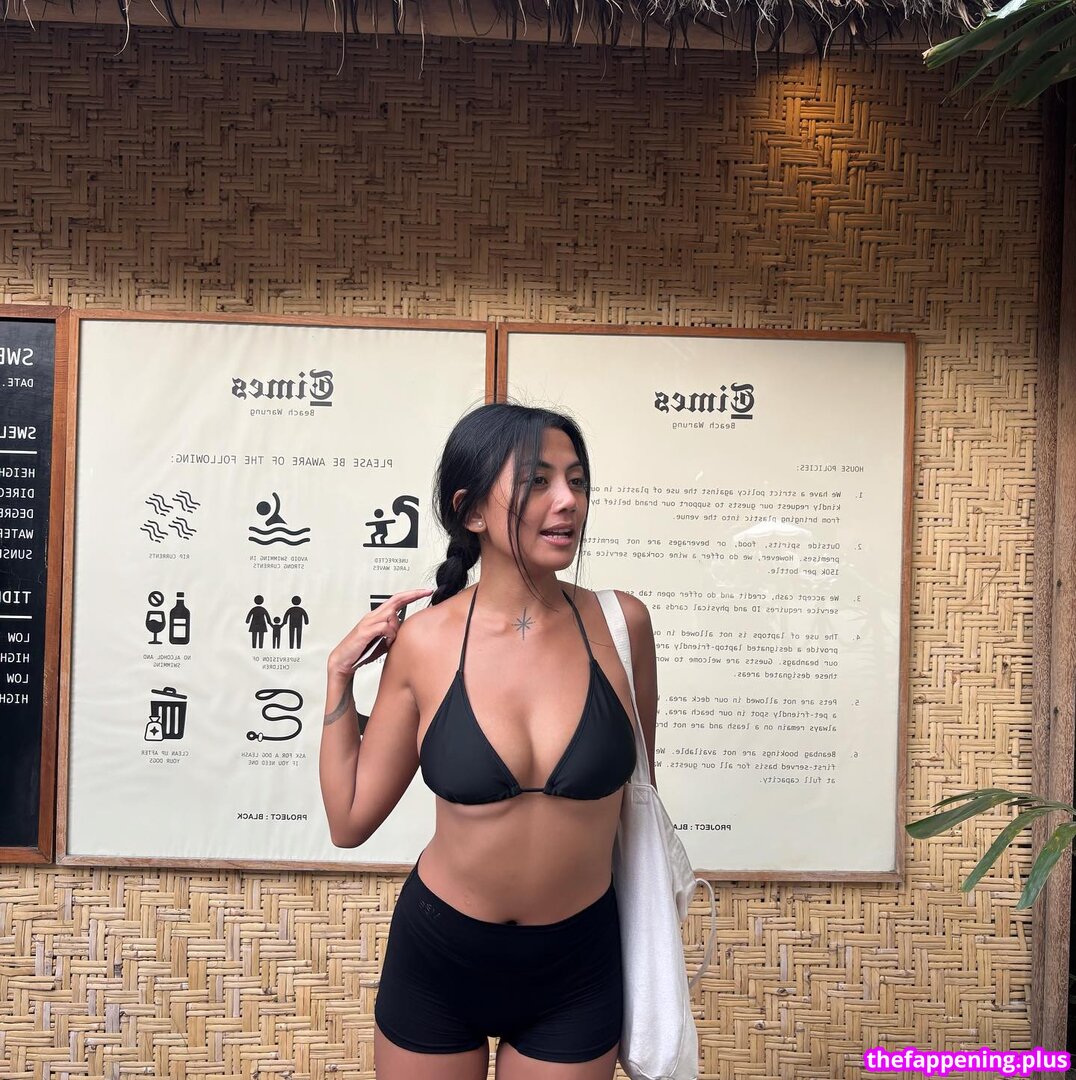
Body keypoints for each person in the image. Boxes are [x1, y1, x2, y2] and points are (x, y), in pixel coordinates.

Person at [319, 403, 658, 1080]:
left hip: (578, 964)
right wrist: (337, 679)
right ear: (470, 511)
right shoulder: (425, 642)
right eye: (538, 481)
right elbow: (349, 821)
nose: (568, 501)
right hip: (439, 959)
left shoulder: (623, 627)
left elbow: (640, 802)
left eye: (577, 480)